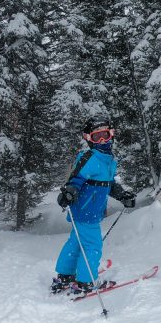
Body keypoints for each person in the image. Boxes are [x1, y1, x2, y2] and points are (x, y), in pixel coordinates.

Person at [51, 117, 136, 295]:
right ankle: (86, 282)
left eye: (105, 135)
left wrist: (122, 195)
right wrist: (69, 192)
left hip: (90, 211)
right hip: (84, 211)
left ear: (111, 134)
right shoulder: (89, 157)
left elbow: (109, 184)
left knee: (76, 242)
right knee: (92, 245)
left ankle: (65, 275)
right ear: (89, 139)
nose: (103, 140)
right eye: (97, 137)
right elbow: (75, 179)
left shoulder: (109, 160)